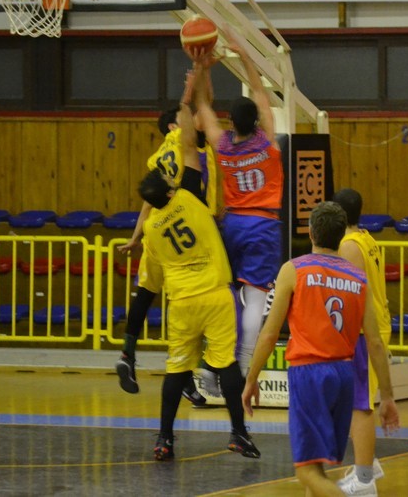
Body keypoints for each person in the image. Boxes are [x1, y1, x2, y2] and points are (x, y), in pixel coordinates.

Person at [136, 75, 259, 461]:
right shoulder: (189, 197)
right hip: (215, 295)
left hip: (182, 302)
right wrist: (188, 94)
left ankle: (164, 438)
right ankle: (238, 433)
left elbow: (151, 280)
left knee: (176, 371)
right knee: (226, 366)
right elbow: (190, 141)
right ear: (170, 189)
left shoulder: (152, 230)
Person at [242, 201, 399, 497]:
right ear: (341, 237)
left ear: (311, 233)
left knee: (307, 472)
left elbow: (269, 334)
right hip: (344, 374)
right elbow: (375, 342)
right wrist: (388, 396)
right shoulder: (358, 278)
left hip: (309, 373)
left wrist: (251, 378)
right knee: (318, 471)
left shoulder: (294, 269)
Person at [115, 101, 218, 406]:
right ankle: (186, 375)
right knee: (185, 306)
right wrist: (192, 90)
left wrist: (136, 238)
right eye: (186, 118)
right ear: (175, 126)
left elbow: (148, 202)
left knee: (145, 295)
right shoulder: (186, 142)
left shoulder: (159, 157)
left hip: (157, 232)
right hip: (187, 230)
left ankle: (127, 354)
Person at [194, 27, 284, 377]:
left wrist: (202, 68)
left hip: (232, 224)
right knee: (256, 297)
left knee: (227, 293)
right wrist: (245, 55)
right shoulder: (268, 143)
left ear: (230, 121)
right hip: (263, 223)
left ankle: (215, 362)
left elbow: (203, 107)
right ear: (257, 120)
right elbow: (260, 93)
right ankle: (244, 367)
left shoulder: (222, 145)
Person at [332, 188, 392, 496]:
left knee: (361, 405)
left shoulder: (348, 246)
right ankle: (368, 463)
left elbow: (350, 295)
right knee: (354, 402)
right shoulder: (366, 238)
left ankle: (365, 479)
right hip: (374, 325)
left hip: (364, 331)